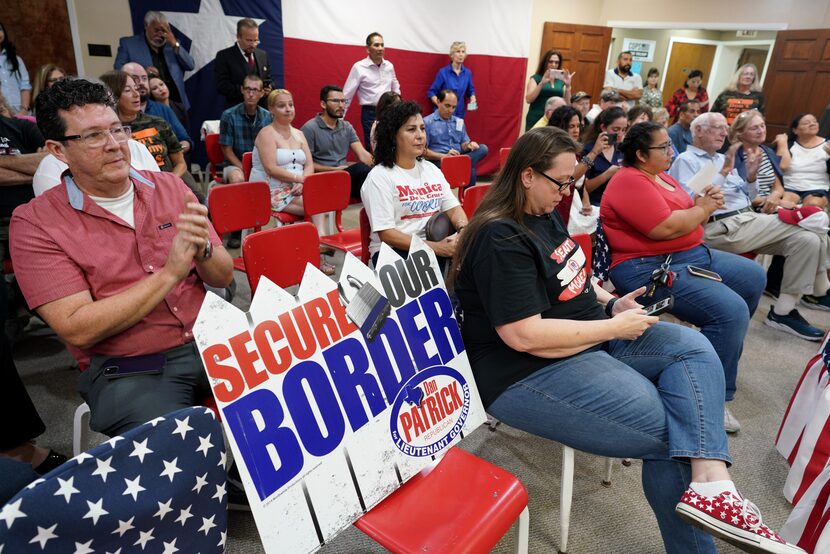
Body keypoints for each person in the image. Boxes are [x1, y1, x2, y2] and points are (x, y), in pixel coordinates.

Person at [451, 125, 804, 554]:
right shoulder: (501, 235)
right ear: (527, 175)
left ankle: (715, 484)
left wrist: (610, 303)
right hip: (527, 369)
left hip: (584, 338)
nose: (567, 192)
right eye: (561, 182)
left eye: (570, 182)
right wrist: (612, 327)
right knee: (673, 435)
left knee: (696, 348)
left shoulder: (541, 212)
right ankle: (705, 506)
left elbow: (572, 277)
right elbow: (524, 336)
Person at [10, 77, 234, 438]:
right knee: (179, 455)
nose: (114, 145)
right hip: (132, 367)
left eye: (117, 130)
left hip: (212, 341)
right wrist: (170, 273)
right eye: (93, 136)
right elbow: (77, 327)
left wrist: (203, 249)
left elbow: (222, 278)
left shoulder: (170, 187)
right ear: (58, 150)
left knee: (301, 402)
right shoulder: (37, 223)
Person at [602, 121, 766, 433]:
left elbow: (686, 210)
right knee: (730, 312)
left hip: (688, 254)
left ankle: (708, 359)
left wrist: (706, 202)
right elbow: (663, 227)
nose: (671, 151)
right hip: (648, 266)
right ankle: (711, 397)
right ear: (639, 154)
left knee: (753, 276)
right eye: (663, 147)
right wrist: (703, 210)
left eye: (669, 145)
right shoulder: (628, 180)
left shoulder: (661, 176)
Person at [669, 112, 830, 340]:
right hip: (720, 227)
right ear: (698, 131)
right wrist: (724, 172)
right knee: (815, 222)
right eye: (716, 127)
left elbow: (745, 197)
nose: (724, 132)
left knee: (808, 239)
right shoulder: (687, 160)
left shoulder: (721, 158)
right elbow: (687, 200)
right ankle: (821, 285)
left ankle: (783, 311)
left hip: (746, 219)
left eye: (724, 128)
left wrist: (752, 179)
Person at [361, 100, 467, 264]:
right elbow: (387, 234)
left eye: (422, 128)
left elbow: (454, 209)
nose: (420, 135)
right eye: (411, 129)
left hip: (435, 246)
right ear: (392, 136)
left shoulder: (431, 170)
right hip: (396, 253)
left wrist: (462, 232)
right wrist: (436, 248)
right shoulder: (379, 177)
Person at [99, 70, 201, 201]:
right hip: (134, 194)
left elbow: (180, 163)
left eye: (136, 88)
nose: (137, 94)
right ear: (113, 96)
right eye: (128, 90)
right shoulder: (110, 133)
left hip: (171, 185)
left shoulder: (158, 122)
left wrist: (165, 182)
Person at [301, 85, 373, 199]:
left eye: (343, 101)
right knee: (360, 169)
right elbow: (306, 165)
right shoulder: (310, 128)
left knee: (374, 177)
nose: (341, 105)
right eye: (335, 101)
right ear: (323, 104)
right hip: (322, 179)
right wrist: (338, 170)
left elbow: (363, 154)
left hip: (344, 178)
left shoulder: (346, 126)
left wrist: (378, 167)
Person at [114, 10, 194, 111]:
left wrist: (175, 44)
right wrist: (142, 73)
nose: (160, 34)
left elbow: (190, 65)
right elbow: (118, 70)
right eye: (156, 30)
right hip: (147, 104)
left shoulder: (173, 44)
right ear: (146, 26)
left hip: (176, 103)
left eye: (163, 30)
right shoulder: (128, 44)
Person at [343, 32, 401, 149]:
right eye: (376, 45)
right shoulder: (359, 67)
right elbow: (347, 94)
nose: (380, 48)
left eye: (382, 45)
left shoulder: (389, 66)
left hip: (390, 111)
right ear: (368, 49)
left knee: (392, 145)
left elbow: (395, 86)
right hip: (370, 113)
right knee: (373, 147)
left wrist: (399, 107)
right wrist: (340, 117)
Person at [548, 105, 598, 235]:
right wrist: (594, 152)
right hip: (560, 204)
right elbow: (569, 180)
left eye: (578, 126)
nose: (576, 131)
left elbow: (582, 182)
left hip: (576, 203)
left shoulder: (573, 149)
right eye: (571, 126)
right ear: (560, 126)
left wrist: (586, 202)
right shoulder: (554, 151)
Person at [729, 109, 790, 214]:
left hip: (771, 205)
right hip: (748, 209)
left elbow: (778, 187)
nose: (761, 131)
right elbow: (739, 195)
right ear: (740, 134)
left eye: (762, 126)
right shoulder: (733, 157)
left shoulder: (767, 151)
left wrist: (775, 197)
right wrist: (776, 202)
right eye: (754, 128)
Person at [121, 62, 191, 153]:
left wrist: (173, 152)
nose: (141, 83)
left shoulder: (163, 109)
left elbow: (186, 140)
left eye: (144, 78)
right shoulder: (114, 113)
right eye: (135, 79)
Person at [424, 90, 488, 187]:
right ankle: (467, 196)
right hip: (439, 161)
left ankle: (462, 163)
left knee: (483, 148)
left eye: (454, 107)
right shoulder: (427, 122)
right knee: (470, 166)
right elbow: (423, 152)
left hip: (459, 157)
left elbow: (463, 145)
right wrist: (444, 156)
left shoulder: (459, 122)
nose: (450, 110)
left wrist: (469, 145)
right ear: (438, 101)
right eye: (447, 106)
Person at [217, 74, 271, 185]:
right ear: (242, 90)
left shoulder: (268, 116)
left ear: (262, 93)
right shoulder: (229, 115)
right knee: (237, 178)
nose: (251, 94)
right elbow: (227, 150)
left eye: (255, 90)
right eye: (248, 89)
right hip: (235, 165)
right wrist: (244, 168)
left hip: (261, 164)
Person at [0, 92, 45, 216]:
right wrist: (37, 174)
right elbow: (47, 165)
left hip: (37, 215)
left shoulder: (22, 126)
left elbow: (56, 158)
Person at [214, 18, 272, 109]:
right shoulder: (224, 56)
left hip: (262, 112)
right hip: (236, 112)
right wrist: (248, 91)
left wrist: (269, 88)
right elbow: (222, 86)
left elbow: (269, 79)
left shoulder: (262, 55)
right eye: (249, 40)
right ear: (238, 37)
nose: (253, 44)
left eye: (256, 40)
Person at [779, 113, 830, 209]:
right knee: (783, 208)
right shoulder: (788, 145)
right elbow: (782, 167)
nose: (812, 124)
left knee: (812, 208)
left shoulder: (828, 145)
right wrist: (782, 144)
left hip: (817, 188)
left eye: (815, 121)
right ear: (795, 130)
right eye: (806, 123)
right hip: (790, 187)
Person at [581, 106, 626, 206]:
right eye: (616, 129)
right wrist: (607, 174)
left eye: (623, 129)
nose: (620, 134)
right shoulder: (589, 150)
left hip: (614, 204)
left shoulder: (622, 149)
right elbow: (582, 187)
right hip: (592, 204)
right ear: (603, 127)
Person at [524, 48, 573, 131]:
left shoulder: (561, 81)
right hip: (536, 117)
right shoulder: (536, 78)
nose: (554, 65)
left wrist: (568, 86)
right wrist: (542, 83)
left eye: (556, 62)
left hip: (555, 120)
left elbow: (568, 105)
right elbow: (529, 99)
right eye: (550, 61)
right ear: (545, 62)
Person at [427, 41, 477, 119]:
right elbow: (431, 92)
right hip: (442, 115)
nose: (461, 54)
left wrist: (473, 100)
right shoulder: (443, 72)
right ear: (452, 55)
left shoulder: (468, 73)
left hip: (459, 115)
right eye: (458, 51)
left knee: (458, 131)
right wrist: (441, 105)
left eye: (463, 52)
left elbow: (471, 91)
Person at [0, 22, 31, 115]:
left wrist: (24, 110)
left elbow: (25, 85)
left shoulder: (16, 59)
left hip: (21, 112)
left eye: (0, 29)